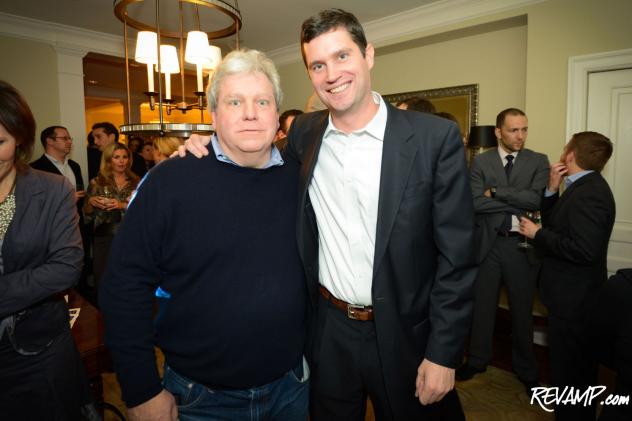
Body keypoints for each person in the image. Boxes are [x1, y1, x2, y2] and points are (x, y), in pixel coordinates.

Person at [183, 9, 476, 420]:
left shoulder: (432, 139)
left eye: (342, 57)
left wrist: (444, 354)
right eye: (318, 65)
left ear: (368, 55)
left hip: (406, 334)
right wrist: (205, 145)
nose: (331, 74)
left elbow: (458, 259)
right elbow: (251, 158)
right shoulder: (305, 133)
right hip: (329, 331)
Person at [100, 49, 309, 421]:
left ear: (277, 114)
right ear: (213, 115)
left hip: (292, 387)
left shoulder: (301, 177)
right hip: (201, 399)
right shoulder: (170, 181)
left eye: (262, 101)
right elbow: (124, 285)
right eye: (235, 101)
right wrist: (141, 388)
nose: (250, 112)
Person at [0, 80, 92, 419]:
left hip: (37, 350)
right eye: (64, 137)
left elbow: (66, 265)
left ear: (19, 139)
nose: (70, 142)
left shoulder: (52, 187)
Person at [520, 131, 615, 421]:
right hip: (568, 299)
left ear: (570, 155)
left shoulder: (592, 195)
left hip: (576, 302)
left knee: (574, 374)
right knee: (567, 371)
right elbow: (560, 224)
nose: (563, 151)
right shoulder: (579, 186)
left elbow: (584, 250)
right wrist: (551, 189)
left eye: (566, 147)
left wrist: (538, 234)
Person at [457, 108, 549, 395]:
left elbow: (536, 200)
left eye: (524, 129)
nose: (520, 136)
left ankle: (526, 369)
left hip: (520, 247)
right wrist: (517, 203)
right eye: (513, 130)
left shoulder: (538, 160)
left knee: (522, 311)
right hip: (489, 243)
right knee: (482, 307)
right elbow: (473, 203)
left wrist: (496, 193)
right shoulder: (481, 162)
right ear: (498, 132)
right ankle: (478, 360)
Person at [31, 125, 90, 292]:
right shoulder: (35, 169)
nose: (70, 141)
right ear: (49, 141)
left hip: (78, 227)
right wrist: (64, 200)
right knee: (58, 274)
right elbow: (34, 205)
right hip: (51, 232)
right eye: (65, 138)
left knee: (81, 270)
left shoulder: (75, 166)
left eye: (70, 138)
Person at [83, 142, 138, 289]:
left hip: (131, 238)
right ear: (108, 160)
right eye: (116, 157)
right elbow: (86, 215)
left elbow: (145, 211)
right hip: (104, 238)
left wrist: (122, 205)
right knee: (103, 280)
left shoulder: (136, 182)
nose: (121, 161)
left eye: (125, 157)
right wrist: (91, 202)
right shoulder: (97, 183)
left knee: (129, 281)